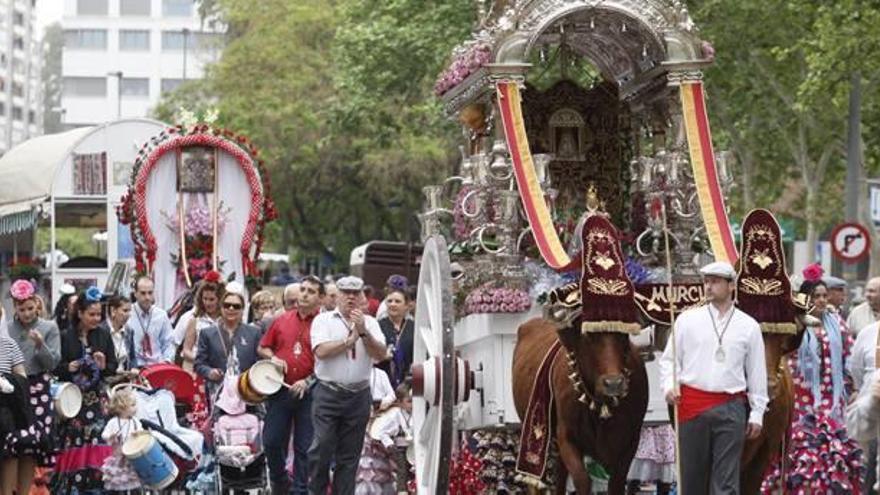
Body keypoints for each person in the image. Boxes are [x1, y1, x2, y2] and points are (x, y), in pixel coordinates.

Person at [659, 261, 767, 494]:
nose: (708, 286)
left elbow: (757, 372)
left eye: (715, 281)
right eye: (706, 281)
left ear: (731, 286)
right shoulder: (686, 320)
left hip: (731, 407)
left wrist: (757, 412)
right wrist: (669, 385)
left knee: (726, 480)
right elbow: (669, 361)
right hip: (691, 406)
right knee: (691, 477)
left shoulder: (749, 326)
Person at [761, 269, 864, 492]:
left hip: (832, 402)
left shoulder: (839, 325)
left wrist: (853, 387)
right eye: (816, 296)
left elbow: (851, 359)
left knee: (833, 454)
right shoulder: (794, 326)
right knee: (800, 456)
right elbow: (780, 357)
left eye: (825, 296)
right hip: (800, 401)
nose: (821, 300)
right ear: (805, 298)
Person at [308, 275, 388, 495]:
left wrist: (363, 333)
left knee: (350, 456)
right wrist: (348, 341)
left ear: (362, 296)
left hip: (358, 395)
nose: (351, 298)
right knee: (321, 448)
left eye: (356, 293)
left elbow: (380, 355)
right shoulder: (323, 320)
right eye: (346, 293)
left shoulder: (370, 323)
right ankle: (316, 491)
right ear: (337, 296)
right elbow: (321, 352)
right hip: (328, 393)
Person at [258, 275, 323, 494]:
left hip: (310, 392)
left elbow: (327, 361)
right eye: (303, 289)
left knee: (304, 448)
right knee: (271, 441)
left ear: (320, 298)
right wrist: (272, 358)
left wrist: (307, 381)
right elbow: (263, 347)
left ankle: (299, 490)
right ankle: (280, 482)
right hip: (280, 389)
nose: (304, 294)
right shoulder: (281, 320)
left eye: (310, 291)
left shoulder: (324, 324)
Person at [53, 287, 118, 493]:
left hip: (96, 400)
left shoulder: (104, 335)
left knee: (98, 438)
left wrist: (103, 366)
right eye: (91, 314)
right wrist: (68, 367)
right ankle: (72, 487)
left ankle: (97, 486)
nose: (96, 318)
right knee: (74, 439)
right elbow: (55, 368)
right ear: (79, 313)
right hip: (73, 401)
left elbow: (112, 369)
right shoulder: (65, 336)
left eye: (99, 314)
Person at [4, 280, 61, 486]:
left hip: (38, 390)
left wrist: (40, 344)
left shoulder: (49, 327)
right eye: (21, 309)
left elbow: (53, 363)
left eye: (30, 308)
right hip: (10, 389)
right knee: (11, 446)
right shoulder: (6, 328)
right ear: (15, 308)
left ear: (37, 304)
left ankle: (25, 491)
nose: (26, 313)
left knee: (30, 446)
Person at [195, 283, 261, 398]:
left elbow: (259, 364)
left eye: (236, 306)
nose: (231, 308)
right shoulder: (207, 333)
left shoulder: (254, 333)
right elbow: (199, 364)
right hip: (218, 392)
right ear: (221, 308)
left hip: (245, 392)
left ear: (242, 310)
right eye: (227, 305)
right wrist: (209, 372)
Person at [355, 379, 413, 495]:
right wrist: (390, 445)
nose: (413, 405)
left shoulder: (415, 414)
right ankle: (402, 490)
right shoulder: (394, 415)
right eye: (409, 401)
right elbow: (382, 432)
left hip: (411, 447)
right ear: (400, 402)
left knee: (409, 469)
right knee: (401, 468)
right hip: (396, 447)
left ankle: (410, 487)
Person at [0, 332, 29, 495]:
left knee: (9, 455)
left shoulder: (9, 344)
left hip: (5, 413)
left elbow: (22, 378)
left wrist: (6, 381)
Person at [126, 276, 175, 368]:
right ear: (135, 293)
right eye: (143, 293)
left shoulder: (161, 315)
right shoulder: (128, 314)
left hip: (158, 366)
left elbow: (169, 342)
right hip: (136, 367)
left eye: (150, 293)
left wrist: (167, 361)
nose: (147, 297)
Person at [100, 388, 142, 492]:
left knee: (132, 483)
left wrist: (138, 434)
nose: (135, 408)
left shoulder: (135, 421)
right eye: (132, 405)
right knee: (118, 482)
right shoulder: (114, 422)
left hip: (132, 457)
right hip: (118, 457)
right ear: (122, 407)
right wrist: (110, 437)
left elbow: (141, 432)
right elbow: (104, 434)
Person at [180, 274, 225, 371]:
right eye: (205, 299)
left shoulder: (225, 321)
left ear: (220, 299)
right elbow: (186, 350)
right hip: (198, 368)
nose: (207, 303)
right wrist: (201, 360)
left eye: (212, 299)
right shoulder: (195, 320)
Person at [377, 288, 414, 388]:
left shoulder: (413, 327)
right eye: (389, 301)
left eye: (397, 301)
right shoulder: (377, 326)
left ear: (406, 305)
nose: (393, 304)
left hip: (408, 383)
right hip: (382, 382)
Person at [103, 295, 132, 372]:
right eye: (125, 311)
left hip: (125, 377)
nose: (128, 315)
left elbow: (132, 357)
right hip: (107, 378)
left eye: (129, 311)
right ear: (113, 311)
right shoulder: (102, 331)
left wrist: (133, 369)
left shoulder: (129, 331)